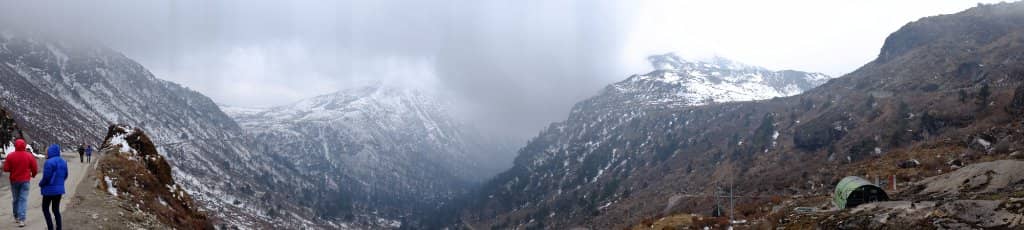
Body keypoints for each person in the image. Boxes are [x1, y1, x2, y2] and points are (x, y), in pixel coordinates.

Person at [3, 139, 39, 227]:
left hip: (14, 180)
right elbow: (34, 167)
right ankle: (22, 219)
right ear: (24, 145)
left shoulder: (10, 156)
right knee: (23, 199)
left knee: (15, 199)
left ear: (15, 145)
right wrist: (33, 174)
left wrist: (13, 169)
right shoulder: (29, 156)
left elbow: (6, 168)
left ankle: (16, 216)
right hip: (25, 181)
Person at [39, 144, 67, 230]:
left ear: (50, 151)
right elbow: (65, 175)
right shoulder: (63, 161)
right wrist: (59, 183)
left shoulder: (49, 162)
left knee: (45, 208)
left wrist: (41, 183)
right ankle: (59, 228)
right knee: (56, 209)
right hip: (59, 191)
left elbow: (46, 177)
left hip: (48, 190)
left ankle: (50, 227)